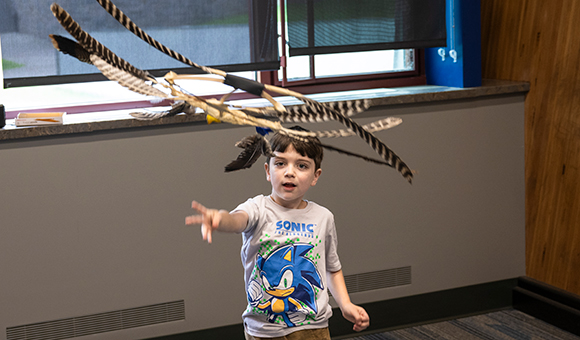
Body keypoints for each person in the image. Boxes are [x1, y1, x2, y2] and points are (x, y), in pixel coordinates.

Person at [185, 130, 370, 340]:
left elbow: (332, 268)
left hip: (313, 326)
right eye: (280, 163)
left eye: (301, 165)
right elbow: (236, 220)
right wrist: (219, 219)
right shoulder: (257, 209)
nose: (289, 172)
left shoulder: (323, 217)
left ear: (315, 176)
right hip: (265, 330)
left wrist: (345, 304)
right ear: (268, 170)